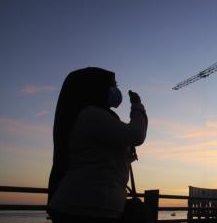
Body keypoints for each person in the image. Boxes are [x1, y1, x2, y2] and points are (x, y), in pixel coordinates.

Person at [47, 67, 148, 223]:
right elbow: (135, 135)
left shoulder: (98, 115)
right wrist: (137, 107)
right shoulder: (91, 114)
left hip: (90, 207)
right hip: (85, 209)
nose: (116, 90)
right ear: (96, 88)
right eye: (113, 85)